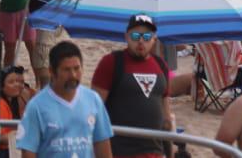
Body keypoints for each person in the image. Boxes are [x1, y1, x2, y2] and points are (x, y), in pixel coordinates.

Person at [91, 14, 173, 158]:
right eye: (136, 36)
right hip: (120, 152)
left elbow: (166, 119)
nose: (141, 41)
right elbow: (93, 112)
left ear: (154, 39)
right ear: (127, 36)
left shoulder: (161, 66)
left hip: (155, 152)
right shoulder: (112, 62)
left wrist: (170, 154)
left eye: (146, 36)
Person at [16, 41, 113, 158]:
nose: (73, 75)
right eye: (66, 70)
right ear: (51, 71)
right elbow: (28, 151)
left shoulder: (93, 100)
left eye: (77, 68)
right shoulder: (36, 106)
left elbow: (102, 144)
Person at [0, 65, 35, 150]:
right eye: (11, 82)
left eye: (20, 82)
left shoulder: (16, 100)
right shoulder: (0, 104)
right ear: (1, 86)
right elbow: (0, 137)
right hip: (4, 151)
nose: (17, 85)